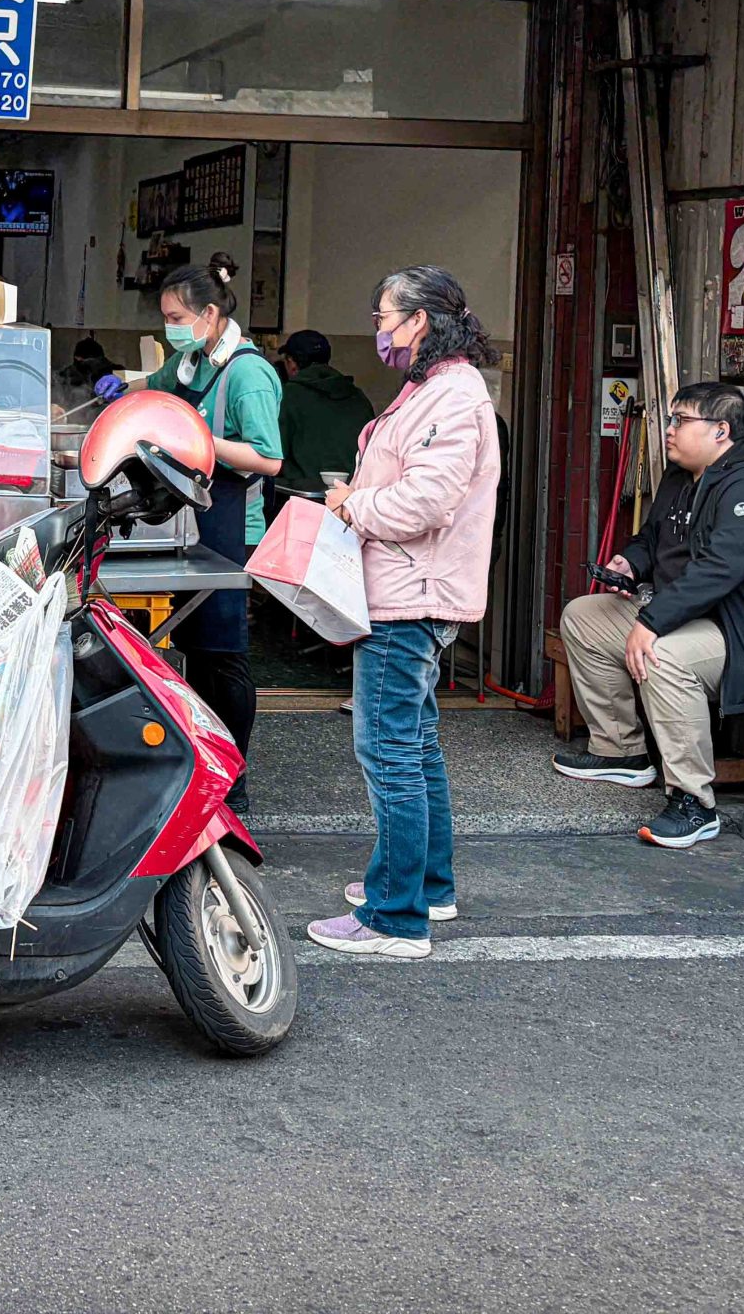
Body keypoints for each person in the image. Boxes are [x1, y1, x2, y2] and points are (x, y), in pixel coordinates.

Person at [305, 266, 502, 962]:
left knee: (387, 748)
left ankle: (396, 917)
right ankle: (427, 886)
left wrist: (350, 505)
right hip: (404, 585)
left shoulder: (453, 397)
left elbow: (426, 501)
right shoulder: (431, 387)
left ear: (420, 321)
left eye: (386, 316)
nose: (379, 329)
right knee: (413, 744)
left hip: (408, 593)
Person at [553, 379, 744, 850]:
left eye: (681, 420)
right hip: (688, 614)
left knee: (665, 656)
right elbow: (654, 540)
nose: (670, 430)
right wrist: (631, 563)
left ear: (721, 431)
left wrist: (651, 623)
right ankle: (622, 751)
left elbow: (721, 570)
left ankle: (694, 803)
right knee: (584, 616)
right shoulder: (681, 477)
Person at [150, 253, 284, 815]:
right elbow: (156, 391)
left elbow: (267, 458)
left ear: (209, 313)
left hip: (233, 524)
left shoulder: (248, 373)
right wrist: (125, 393)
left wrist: (194, 437)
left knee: (224, 654)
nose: (170, 327)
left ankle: (236, 785)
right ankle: (206, 769)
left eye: (177, 317)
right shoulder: (193, 361)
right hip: (195, 521)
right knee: (197, 651)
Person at [275, 329, 374, 494]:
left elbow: (274, 455)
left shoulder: (288, 397)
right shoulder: (358, 397)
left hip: (300, 495)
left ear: (292, 364)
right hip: (352, 495)